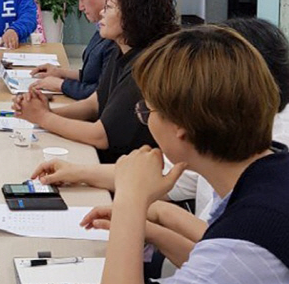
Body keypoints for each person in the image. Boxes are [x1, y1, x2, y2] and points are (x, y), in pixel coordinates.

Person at [81, 26, 289, 284]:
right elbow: (211, 261)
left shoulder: (242, 249)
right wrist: (147, 228)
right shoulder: (271, 171)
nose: (147, 121)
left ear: (179, 127)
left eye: (147, 110)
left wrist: (130, 200)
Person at [33, 17, 289, 221]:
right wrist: (78, 172)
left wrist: (131, 210)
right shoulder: (230, 143)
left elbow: (220, 251)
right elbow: (203, 233)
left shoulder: (262, 166)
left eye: (150, 109)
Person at [14, 0, 178, 163]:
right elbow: (95, 103)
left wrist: (44, 118)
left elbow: (100, 135)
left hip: (125, 167)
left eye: (108, 7)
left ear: (133, 13)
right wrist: (43, 112)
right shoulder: (121, 50)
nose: (102, 12)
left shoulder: (145, 66)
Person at [30, 0, 123, 99]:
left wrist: (61, 85)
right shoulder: (102, 28)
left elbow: (102, 93)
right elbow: (93, 76)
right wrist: (60, 73)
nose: (80, 7)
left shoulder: (118, 38)